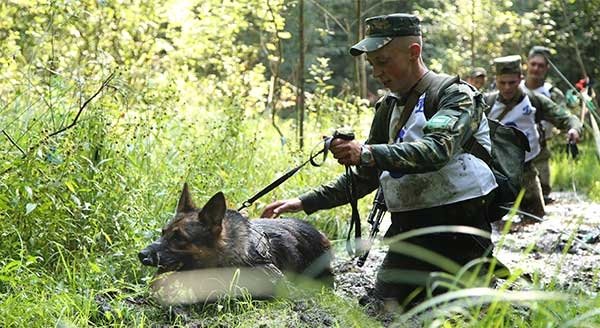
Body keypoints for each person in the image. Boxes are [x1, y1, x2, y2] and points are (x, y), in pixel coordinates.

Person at [262, 13, 499, 309]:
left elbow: (437, 149)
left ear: (414, 52)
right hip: (409, 227)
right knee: (385, 306)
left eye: (384, 61)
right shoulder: (388, 107)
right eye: (372, 64)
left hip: (459, 224)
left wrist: (368, 152)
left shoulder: (455, 95)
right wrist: (303, 202)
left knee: (469, 308)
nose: (377, 72)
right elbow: (365, 177)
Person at [485, 55, 582, 219]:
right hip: (493, 172)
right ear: (496, 80)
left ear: (520, 79)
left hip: (526, 171)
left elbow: (566, 118)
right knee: (492, 221)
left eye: (512, 82)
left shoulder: (534, 100)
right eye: (502, 83)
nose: (507, 88)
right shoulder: (487, 103)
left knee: (536, 219)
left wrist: (574, 129)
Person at [523, 46, 581, 204]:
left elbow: (563, 117)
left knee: (542, 196)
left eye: (541, 65)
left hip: (540, 151)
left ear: (547, 68)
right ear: (526, 64)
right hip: (510, 151)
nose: (536, 68)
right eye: (533, 64)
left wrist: (572, 129)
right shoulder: (512, 87)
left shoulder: (552, 93)